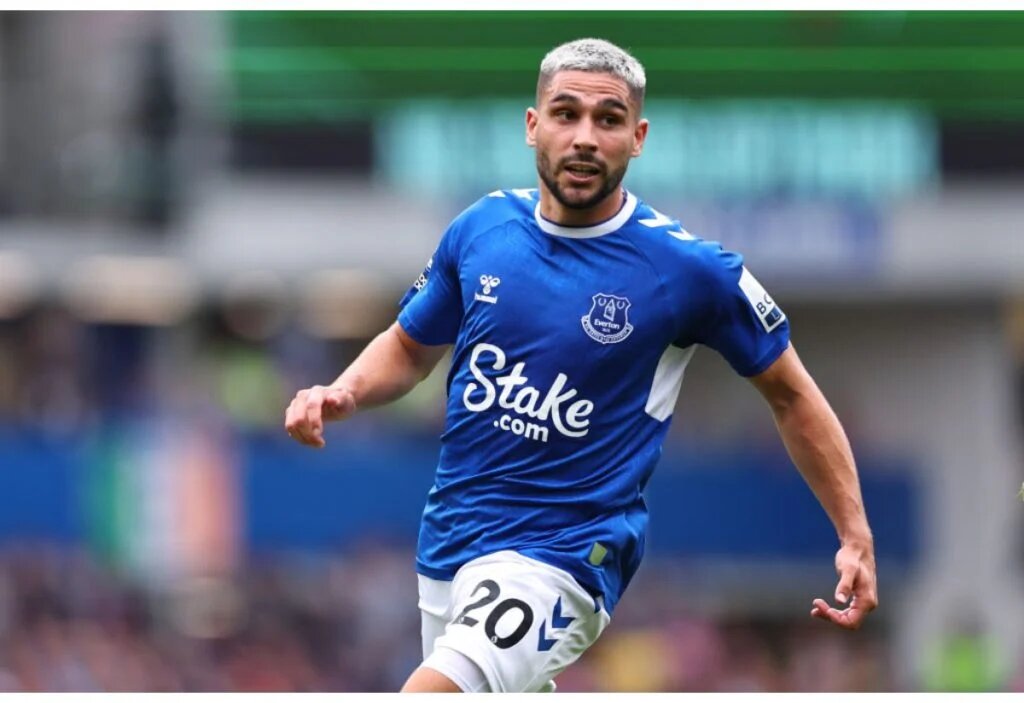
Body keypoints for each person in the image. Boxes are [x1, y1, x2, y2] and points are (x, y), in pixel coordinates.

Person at [284, 38, 878, 693]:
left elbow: (791, 394)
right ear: (532, 125)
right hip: (451, 541)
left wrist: (853, 533)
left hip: (566, 556)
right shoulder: (482, 229)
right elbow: (409, 346)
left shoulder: (688, 271)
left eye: (609, 119)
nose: (585, 137)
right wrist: (344, 390)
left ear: (638, 137)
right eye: (566, 114)